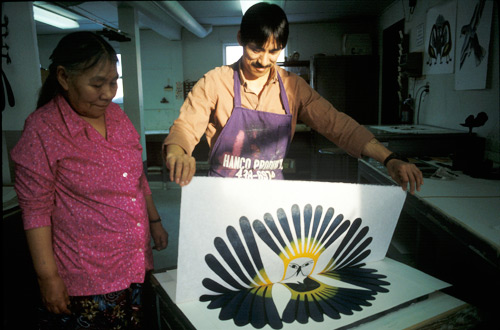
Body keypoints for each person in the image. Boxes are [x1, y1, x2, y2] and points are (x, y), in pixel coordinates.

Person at [164, 2, 423, 193]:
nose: (263, 60)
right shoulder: (215, 81)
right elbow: (186, 126)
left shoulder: (293, 88)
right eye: (256, 49)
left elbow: (338, 125)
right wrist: (178, 153)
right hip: (221, 197)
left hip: (272, 199)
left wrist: (389, 158)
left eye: (273, 52)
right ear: (241, 39)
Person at [10, 31, 168, 329]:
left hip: (133, 264)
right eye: (97, 83)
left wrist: (155, 221)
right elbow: (36, 211)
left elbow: (136, 177)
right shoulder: (43, 129)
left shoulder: (118, 117)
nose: (108, 93)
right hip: (88, 277)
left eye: (113, 81)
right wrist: (48, 278)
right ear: (64, 78)